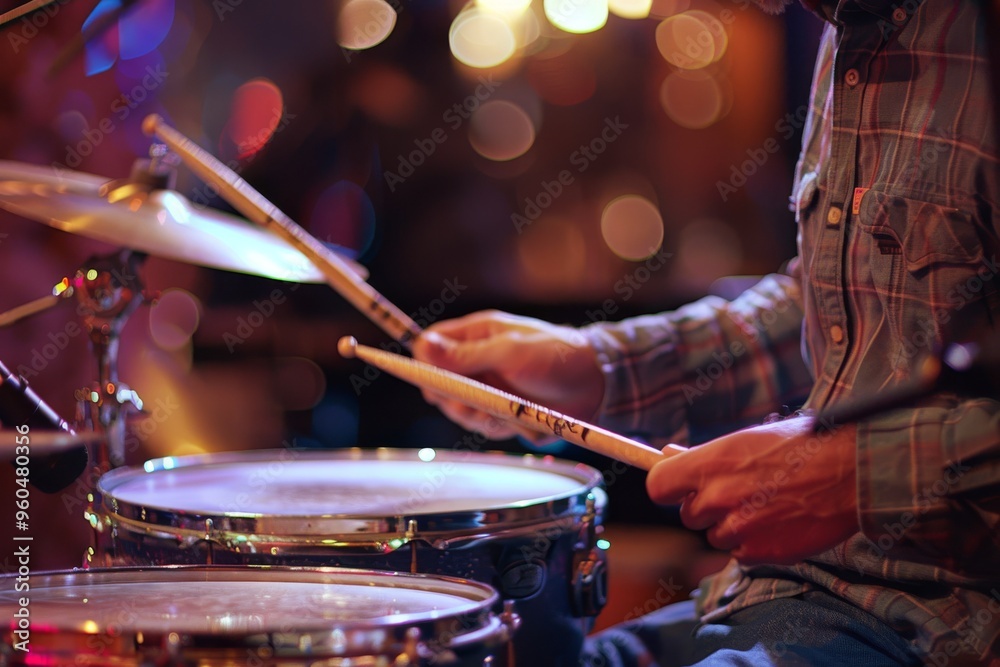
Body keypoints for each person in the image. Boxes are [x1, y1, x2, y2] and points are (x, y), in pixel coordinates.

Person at [411, 0, 1000, 664]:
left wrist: (858, 474)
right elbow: (849, 308)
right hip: (785, 593)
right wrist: (596, 366)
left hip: (946, 622)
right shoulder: (849, 26)